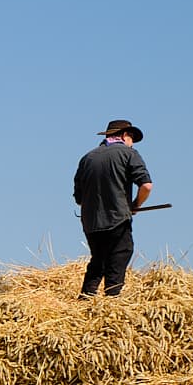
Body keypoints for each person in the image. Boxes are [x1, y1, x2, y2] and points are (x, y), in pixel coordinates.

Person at [73, 119, 154, 297]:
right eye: (132, 139)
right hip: (117, 218)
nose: (132, 144)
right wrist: (135, 205)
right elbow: (146, 186)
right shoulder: (128, 154)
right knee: (121, 253)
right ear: (126, 135)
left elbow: (79, 199)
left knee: (98, 260)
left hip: (91, 223)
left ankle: (86, 297)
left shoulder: (87, 158)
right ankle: (112, 298)